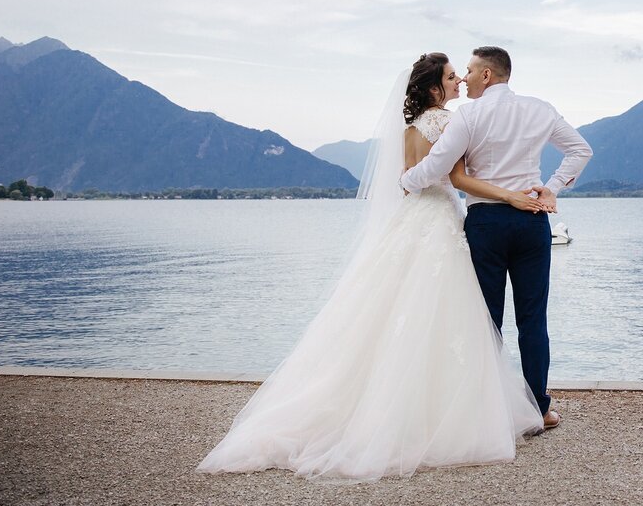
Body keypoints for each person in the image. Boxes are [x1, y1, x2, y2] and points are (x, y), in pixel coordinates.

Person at [196, 52, 546, 482]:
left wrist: (413, 183)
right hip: (440, 219)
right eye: (452, 77)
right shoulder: (450, 123)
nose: (459, 82)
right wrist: (511, 194)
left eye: (461, 74)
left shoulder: (408, 129)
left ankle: (382, 399)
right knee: (446, 311)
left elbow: (407, 177)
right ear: (435, 88)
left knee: (396, 306)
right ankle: (449, 408)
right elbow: (454, 178)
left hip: (413, 218)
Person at [400, 46, 592, 430]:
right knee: (533, 320)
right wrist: (551, 187)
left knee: (486, 321)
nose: (465, 78)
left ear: (486, 76)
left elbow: (439, 166)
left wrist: (407, 181)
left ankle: (486, 409)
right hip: (532, 221)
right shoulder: (540, 109)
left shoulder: (469, 114)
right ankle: (539, 409)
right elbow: (580, 150)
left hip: (486, 224)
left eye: (469, 71)